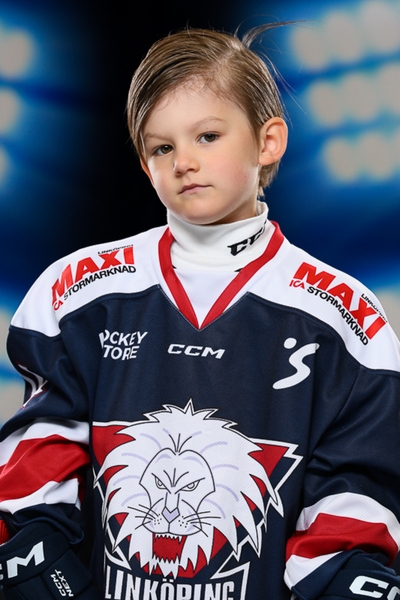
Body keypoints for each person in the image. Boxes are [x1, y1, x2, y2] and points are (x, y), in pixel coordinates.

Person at [0, 24, 400, 600]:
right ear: (146, 165)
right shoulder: (75, 292)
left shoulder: (347, 318)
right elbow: (34, 483)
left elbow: (353, 512)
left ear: (268, 142)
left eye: (207, 136)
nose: (184, 161)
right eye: (162, 147)